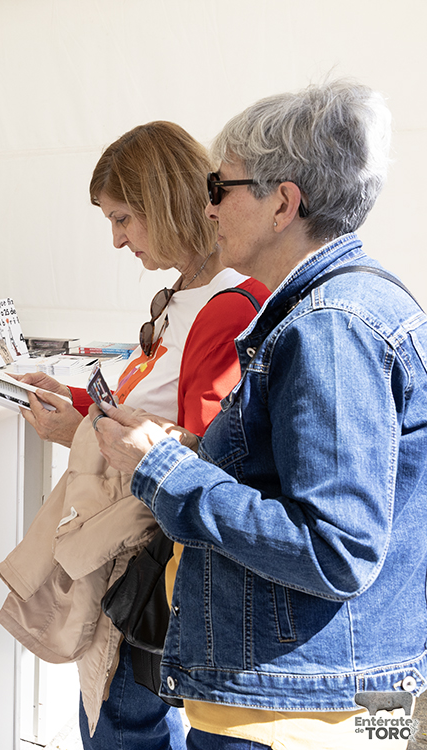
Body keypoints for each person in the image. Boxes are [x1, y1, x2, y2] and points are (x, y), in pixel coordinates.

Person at [95, 81, 426, 750]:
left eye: (220, 187)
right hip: (329, 694)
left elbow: (336, 547)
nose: (207, 207)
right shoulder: (343, 307)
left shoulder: (331, 325)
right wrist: (194, 451)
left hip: (299, 711)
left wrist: (165, 472)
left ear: (283, 201)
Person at [0, 121, 269, 750]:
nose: (117, 241)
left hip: (154, 562)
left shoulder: (227, 305)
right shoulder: (189, 294)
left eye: (123, 219)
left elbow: (201, 457)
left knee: (124, 726)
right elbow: (149, 410)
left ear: (166, 202)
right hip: (142, 557)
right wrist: (74, 404)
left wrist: (81, 432)